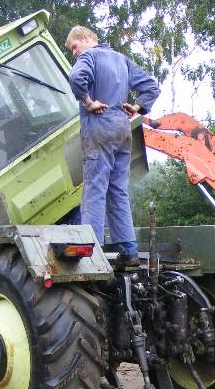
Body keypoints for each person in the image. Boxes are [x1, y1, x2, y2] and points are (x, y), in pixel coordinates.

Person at [65, 25, 160, 267]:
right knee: (118, 190)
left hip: (100, 130)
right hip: (122, 131)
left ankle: (92, 250)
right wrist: (137, 107)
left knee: (95, 187)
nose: (74, 53)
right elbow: (152, 86)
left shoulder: (89, 57)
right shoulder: (121, 60)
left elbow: (76, 78)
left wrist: (88, 103)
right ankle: (129, 251)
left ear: (86, 38)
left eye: (74, 46)